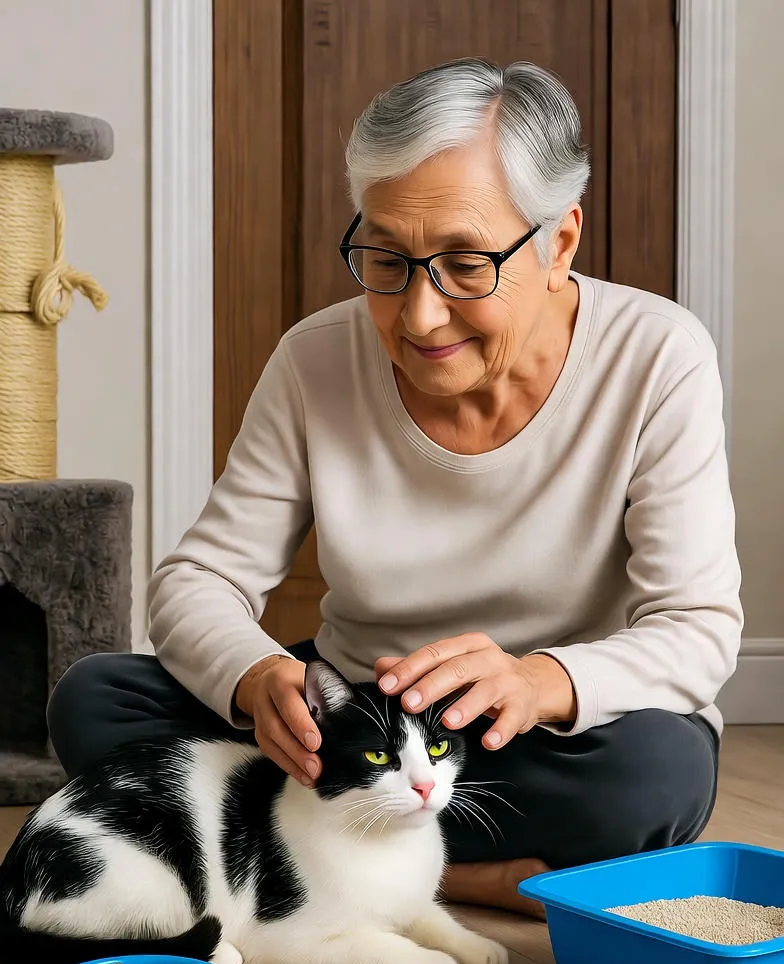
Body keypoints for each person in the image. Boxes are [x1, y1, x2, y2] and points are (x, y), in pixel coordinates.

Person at [47, 59, 742, 918]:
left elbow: (698, 630)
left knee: (657, 773)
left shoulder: (659, 357)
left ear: (559, 242)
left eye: (463, 263)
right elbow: (198, 580)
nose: (418, 315)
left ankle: (343, 867)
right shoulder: (314, 358)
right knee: (96, 700)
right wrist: (256, 671)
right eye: (386, 259)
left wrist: (536, 679)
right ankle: (482, 879)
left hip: (542, 737)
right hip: (354, 736)